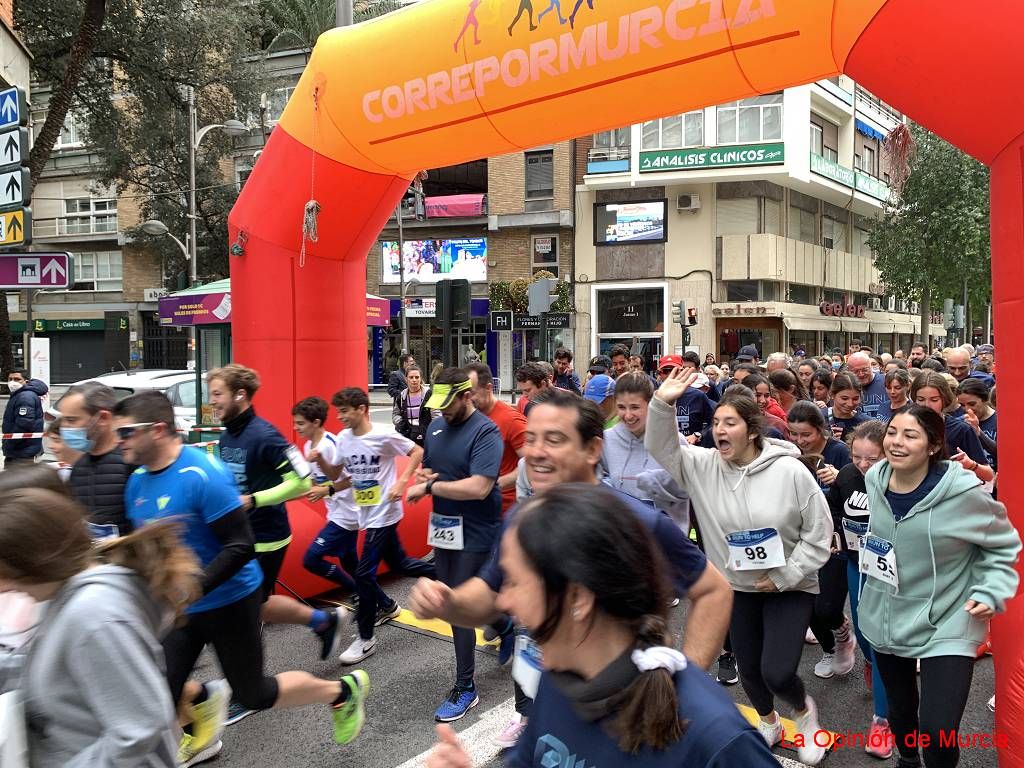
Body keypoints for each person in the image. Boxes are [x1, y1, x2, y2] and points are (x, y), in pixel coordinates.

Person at [410, 387, 732, 746]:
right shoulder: (523, 518)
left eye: (554, 439)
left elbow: (714, 590)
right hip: (555, 702)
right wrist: (449, 603)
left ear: (592, 450)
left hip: (632, 711)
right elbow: (488, 592)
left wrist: (686, 684)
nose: (536, 452)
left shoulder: (633, 520)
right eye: (531, 438)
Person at [425, 485, 780, 768]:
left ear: (578, 599)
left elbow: (713, 590)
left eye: (516, 582)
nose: (503, 601)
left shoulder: (716, 740)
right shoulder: (557, 683)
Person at [115, 391, 369, 763]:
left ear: (156, 430)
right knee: (161, 691)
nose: (119, 441)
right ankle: (202, 709)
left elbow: (240, 546)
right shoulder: (136, 482)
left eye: (127, 432)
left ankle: (341, 693)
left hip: (230, 599)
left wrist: (194, 586)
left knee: (253, 694)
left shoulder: (204, 475)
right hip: (182, 607)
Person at [646, 372, 833, 765]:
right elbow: (662, 448)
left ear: (752, 430)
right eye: (716, 423)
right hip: (736, 586)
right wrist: (662, 404)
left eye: (729, 423)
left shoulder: (791, 471)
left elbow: (820, 530)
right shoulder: (703, 466)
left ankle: (803, 713)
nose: (719, 431)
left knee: (778, 671)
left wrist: (785, 574)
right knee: (748, 671)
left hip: (790, 584)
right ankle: (769, 721)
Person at [858, 407, 1021, 768]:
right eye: (893, 432)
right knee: (901, 713)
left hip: (949, 617)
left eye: (910, 435)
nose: (897, 442)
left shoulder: (962, 493)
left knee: (938, 729)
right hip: (889, 610)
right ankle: (908, 760)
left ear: (933, 446)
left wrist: (991, 589)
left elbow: (1004, 543)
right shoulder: (875, 480)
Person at [0, 486, 199, 768]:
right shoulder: (60, 597)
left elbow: (139, 727)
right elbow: (44, 665)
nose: (3, 587)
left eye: (4, 574)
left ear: (33, 563)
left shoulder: (93, 617)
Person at [208, 364, 347, 721]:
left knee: (246, 615)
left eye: (217, 394)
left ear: (240, 395)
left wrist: (254, 499)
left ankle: (245, 690)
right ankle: (322, 621)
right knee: (261, 605)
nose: (212, 402)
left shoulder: (265, 435)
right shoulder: (227, 436)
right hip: (240, 536)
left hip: (266, 539)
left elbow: (301, 482)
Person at [407, 368, 505, 722]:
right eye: (440, 406)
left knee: (453, 604)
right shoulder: (435, 427)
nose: (444, 412)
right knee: (460, 600)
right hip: (444, 528)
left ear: (467, 396)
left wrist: (430, 488)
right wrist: (425, 478)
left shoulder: (486, 431)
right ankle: (506, 626)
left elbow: (479, 487)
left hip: (477, 530)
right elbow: (434, 469)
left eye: (450, 405)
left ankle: (466, 687)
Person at [326, 387, 436, 664]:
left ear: (362, 409)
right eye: (337, 411)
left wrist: (402, 481)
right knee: (401, 564)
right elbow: (340, 476)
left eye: (344, 411)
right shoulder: (343, 439)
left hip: (384, 512)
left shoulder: (382, 436)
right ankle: (450, 573)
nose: (339, 417)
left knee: (364, 574)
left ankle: (365, 639)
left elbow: (417, 451)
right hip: (367, 513)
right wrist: (325, 478)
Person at [826, 420, 893, 759]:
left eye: (873, 459)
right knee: (865, 634)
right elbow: (835, 509)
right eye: (858, 457)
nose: (864, 465)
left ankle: (882, 720)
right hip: (855, 563)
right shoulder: (847, 476)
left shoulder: (899, 481)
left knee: (879, 640)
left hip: (888, 571)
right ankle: (867, 657)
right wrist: (835, 536)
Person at [786, 402, 855, 682]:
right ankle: (830, 648)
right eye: (794, 435)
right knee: (805, 603)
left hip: (836, 539)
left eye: (806, 435)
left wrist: (838, 481)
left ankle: (842, 635)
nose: (800, 442)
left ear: (821, 430)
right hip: (801, 537)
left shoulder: (839, 451)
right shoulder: (789, 455)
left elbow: (859, 496)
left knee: (826, 607)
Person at [293, 397, 360, 604]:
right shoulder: (307, 448)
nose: (296, 428)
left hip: (348, 513)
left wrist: (325, 490)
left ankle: (358, 591)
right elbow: (314, 485)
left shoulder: (330, 446)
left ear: (316, 423)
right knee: (350, 563)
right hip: (335, 512)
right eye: (295, 423)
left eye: (300, 423)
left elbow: (353, 479)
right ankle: (384, 603)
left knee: (311, 559)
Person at [61, 381, 135, 538]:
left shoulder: (133, 464)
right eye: (63, 419)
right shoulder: (78, 468)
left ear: (103, 418)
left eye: (72, 420)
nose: (64, 427)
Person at [910, 371, 993, 484]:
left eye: (934, 400)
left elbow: (988, 475)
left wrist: (970, 465)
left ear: (944, 400)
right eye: (920, 399)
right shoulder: (904, 425)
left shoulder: (961, 430)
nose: (927, 405)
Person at [466, 362, 526, 515]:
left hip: (504, 511)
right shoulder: (469, 417)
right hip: (475, 507)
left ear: (488, 388)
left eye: (472, 392)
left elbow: (531, 462)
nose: (467, 398)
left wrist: (493, 485)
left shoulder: (512, 420)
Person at [657, 355, 716, 437]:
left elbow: (715, 423)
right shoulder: (654, 398)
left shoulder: (697, 396)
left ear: (682, 371)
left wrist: (698, 435)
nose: (670, 374)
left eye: (674, 370)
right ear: (660, 374)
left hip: (693, 447)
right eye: (665, 371)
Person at [3, 368, 47, 468]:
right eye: (10, 379)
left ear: (26, 382)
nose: (12, 382)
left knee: (16, 480)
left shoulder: (25, 396)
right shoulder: (19, 394)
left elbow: (24, 423)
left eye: (17, 379)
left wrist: (9, 442)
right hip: (21, 448)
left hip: (22, 450)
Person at [957, 378, 996, 470]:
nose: (967, 409)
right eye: (962, 405)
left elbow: (1005, 454)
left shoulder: (1000, 421)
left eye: (972, 404)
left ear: (985, 400)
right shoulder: (960, 423)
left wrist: (978, 432)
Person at [392, 365, 433, 447]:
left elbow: (436, 415)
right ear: (406, 379)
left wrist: (433, 431)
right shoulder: (401, 396)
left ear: (420, 378)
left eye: (417, 377)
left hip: (427, 436)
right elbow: (395, 414)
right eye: (411, 377)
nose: (414, 380)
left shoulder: (428, 394)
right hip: (408, 437)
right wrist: (401, 423)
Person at [828, 372, 872, 442]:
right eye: (844, 398)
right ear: (832, 395)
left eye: (855, 399)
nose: (850, 404)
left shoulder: (867, 423)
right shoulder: (819, 418)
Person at [846, 352, 888, 419]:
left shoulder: (886, 381)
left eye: (865, 370)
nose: (861, 374)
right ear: (848, 370)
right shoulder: (845, 386)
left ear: (871, 366)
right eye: (856, 371)